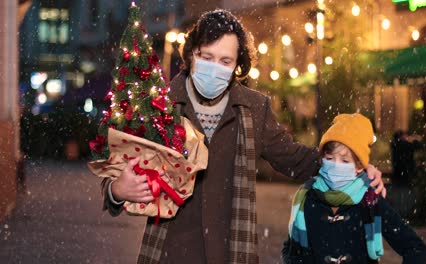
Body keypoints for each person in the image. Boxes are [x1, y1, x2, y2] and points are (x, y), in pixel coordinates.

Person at [101, 10, 385, 264]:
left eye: (225, 60)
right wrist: (117, 190)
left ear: (237, 65)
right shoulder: (160, 106)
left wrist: (353, 167)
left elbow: (294, 158)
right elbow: (117, 168)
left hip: (233, 252)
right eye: (206, 57)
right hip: (170, 252)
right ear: (190, 56)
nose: (215, 67)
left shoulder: (253, 109)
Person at [282, 114, 426, 264]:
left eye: (345, 161)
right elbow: (291, 250)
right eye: (330, 158)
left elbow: (415, 248)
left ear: (358, 167)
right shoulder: (307, 198)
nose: (336, 165)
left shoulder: (370, 202)